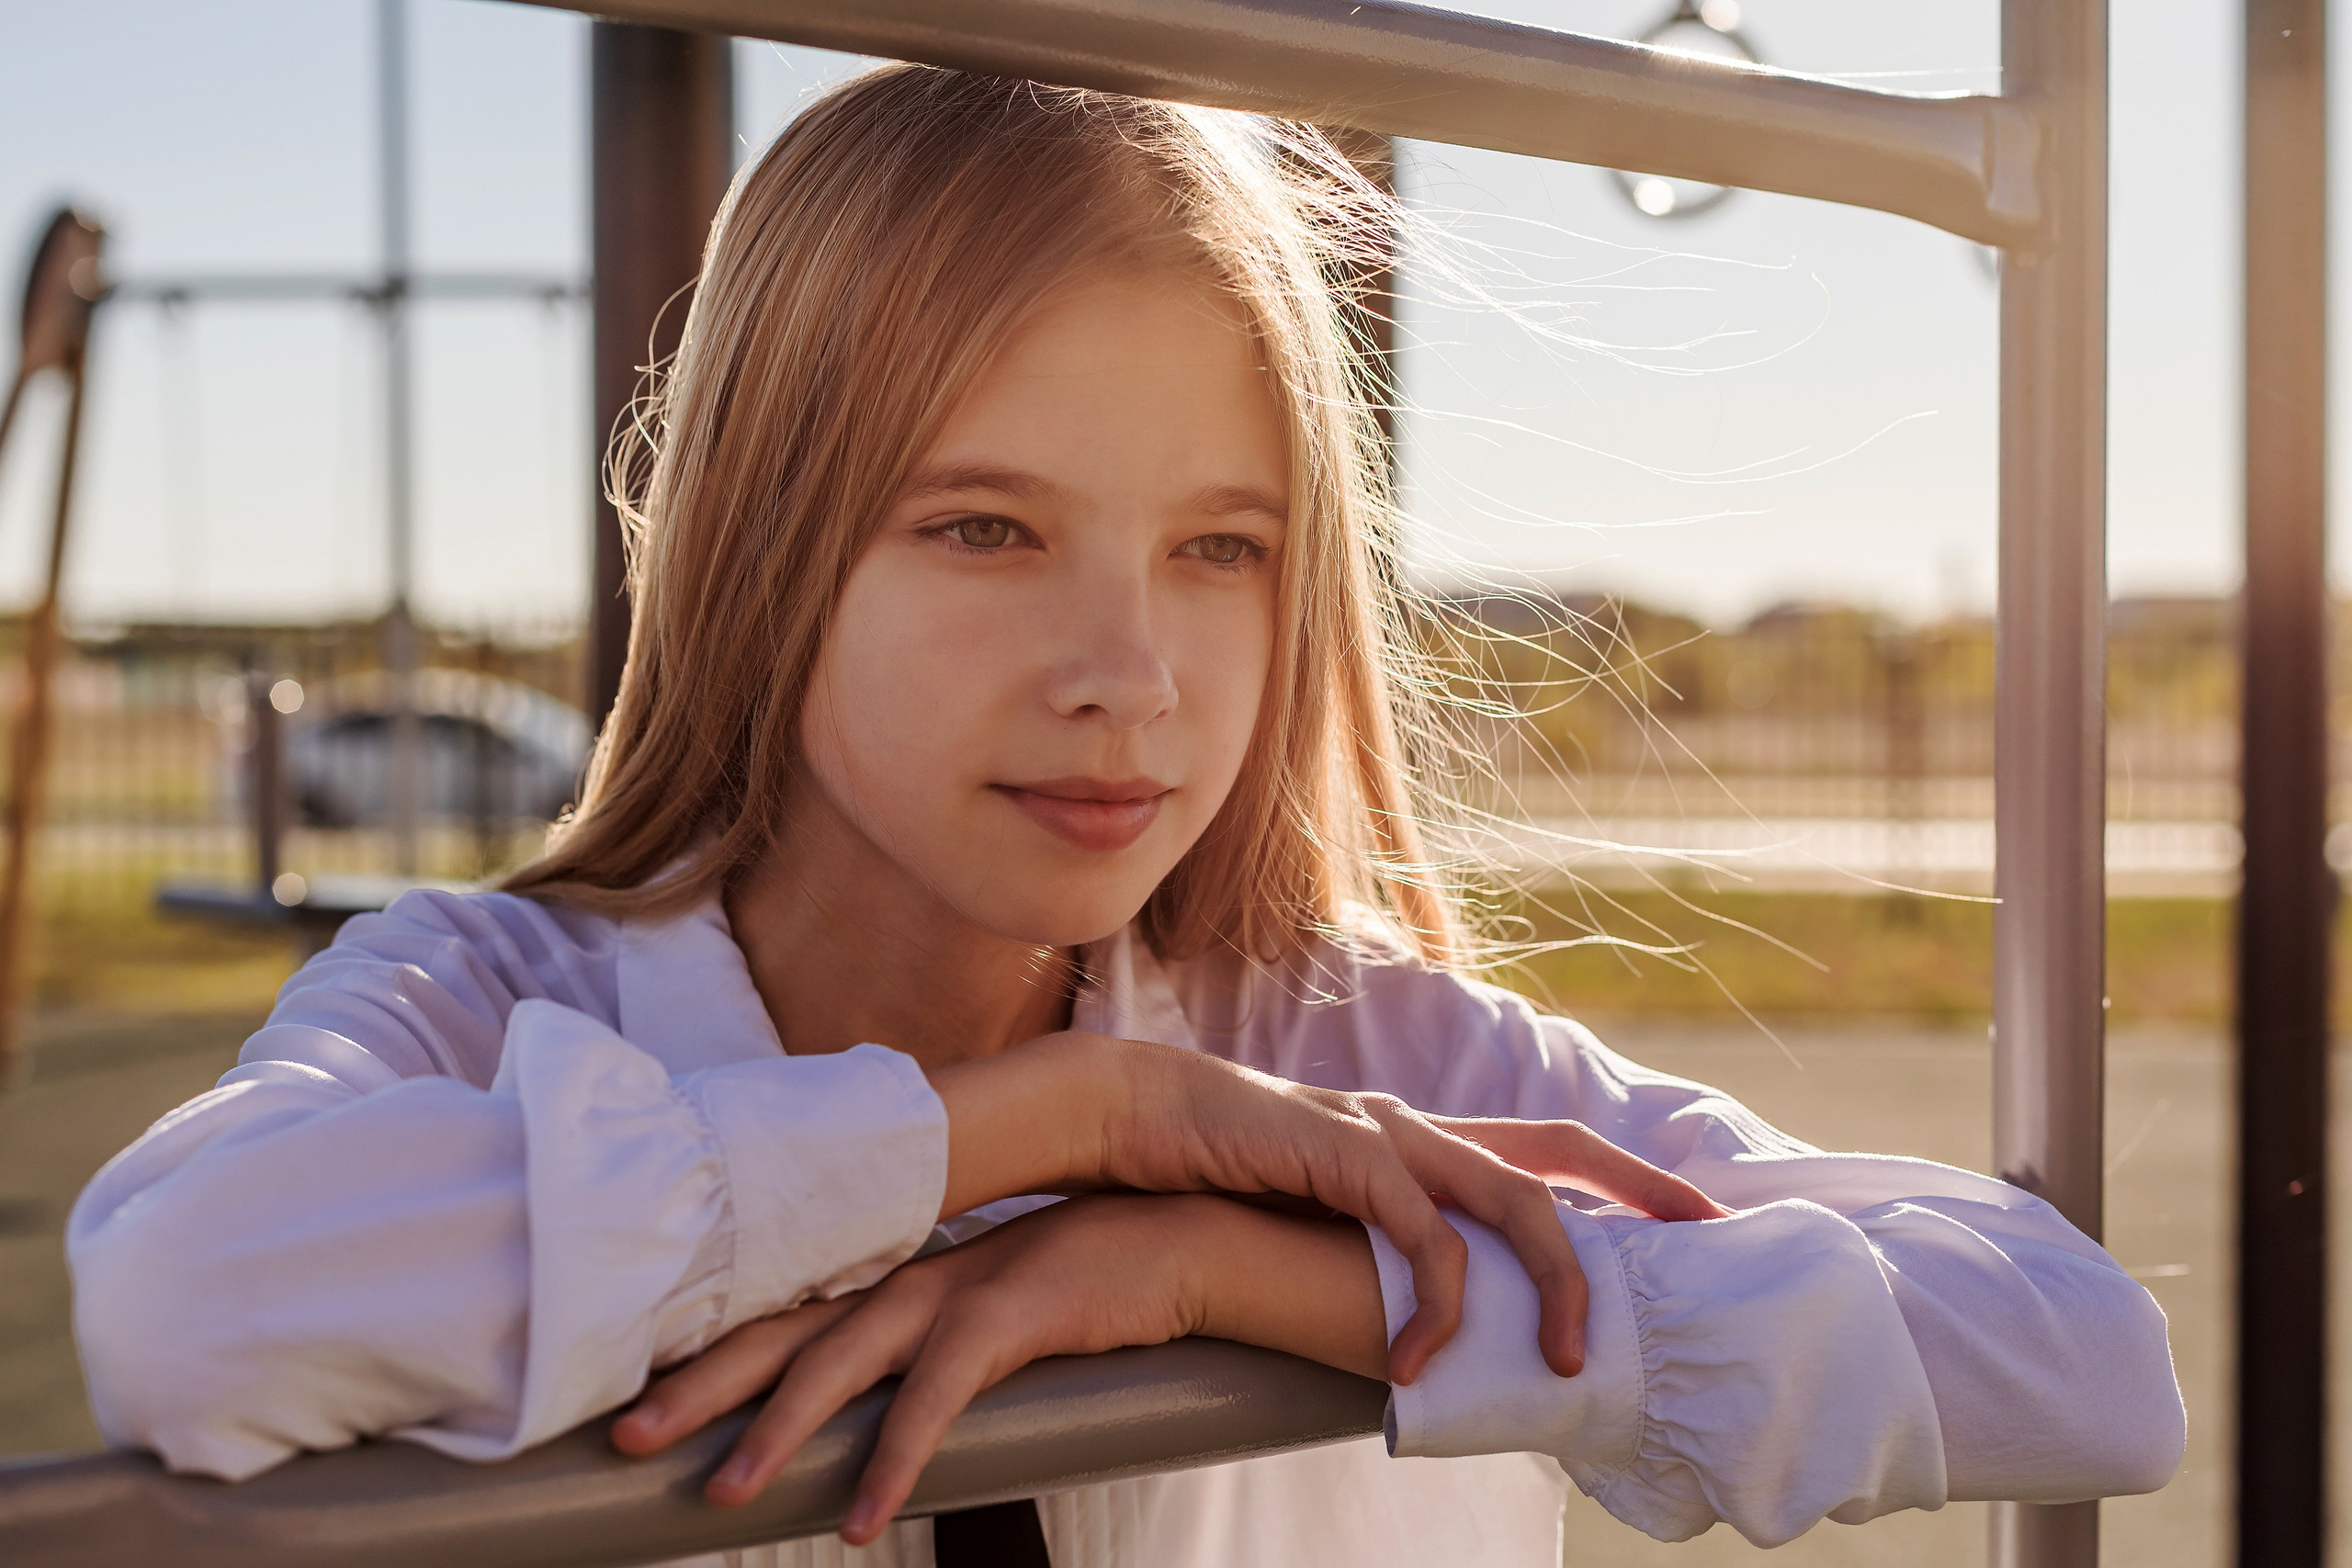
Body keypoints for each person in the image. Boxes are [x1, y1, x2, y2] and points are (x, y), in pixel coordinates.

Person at [68, 65, 2184, 1568]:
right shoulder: (486, 994)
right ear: (767, 545)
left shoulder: (1353, 1049)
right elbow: (190, 1303)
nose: (1128, 669)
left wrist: (1219, 1268)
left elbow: (2067, 1352)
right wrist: (1057, 1122)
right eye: (984, 527)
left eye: (1219, 547)